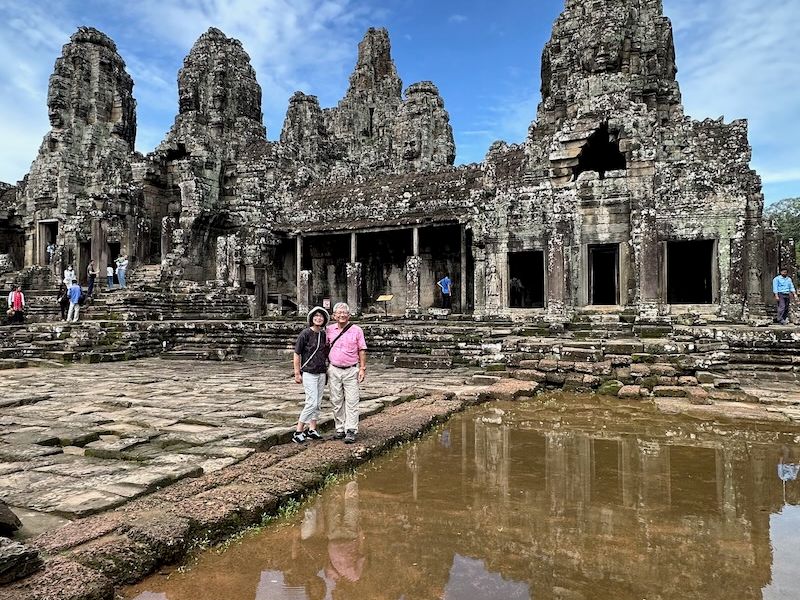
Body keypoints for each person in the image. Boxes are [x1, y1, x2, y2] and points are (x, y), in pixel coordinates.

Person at [326, 302, 367, 444]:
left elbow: (362, 349)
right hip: (334, 369)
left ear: (349, 315)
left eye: (345, 313)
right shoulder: (329, 330)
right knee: (336, 400)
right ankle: (340, 428)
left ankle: (351, 429)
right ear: (334, 316)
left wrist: (362, 368)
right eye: (339, 313)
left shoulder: (357, 330)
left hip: (351, 369)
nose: (342, 315)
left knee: (352, 401)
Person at [292, 306, 330, 444]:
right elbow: (297, 353)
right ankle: (298, 431)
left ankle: (312, 429)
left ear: (324, 319)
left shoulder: (324, 334)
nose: (318, 318)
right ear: (311, 318)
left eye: (321, 316)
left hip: (321, 372)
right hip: (308, 372)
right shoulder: (305, 333)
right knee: (311, 402)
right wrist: (297, 373)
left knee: (317, 403)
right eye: (316, 316)